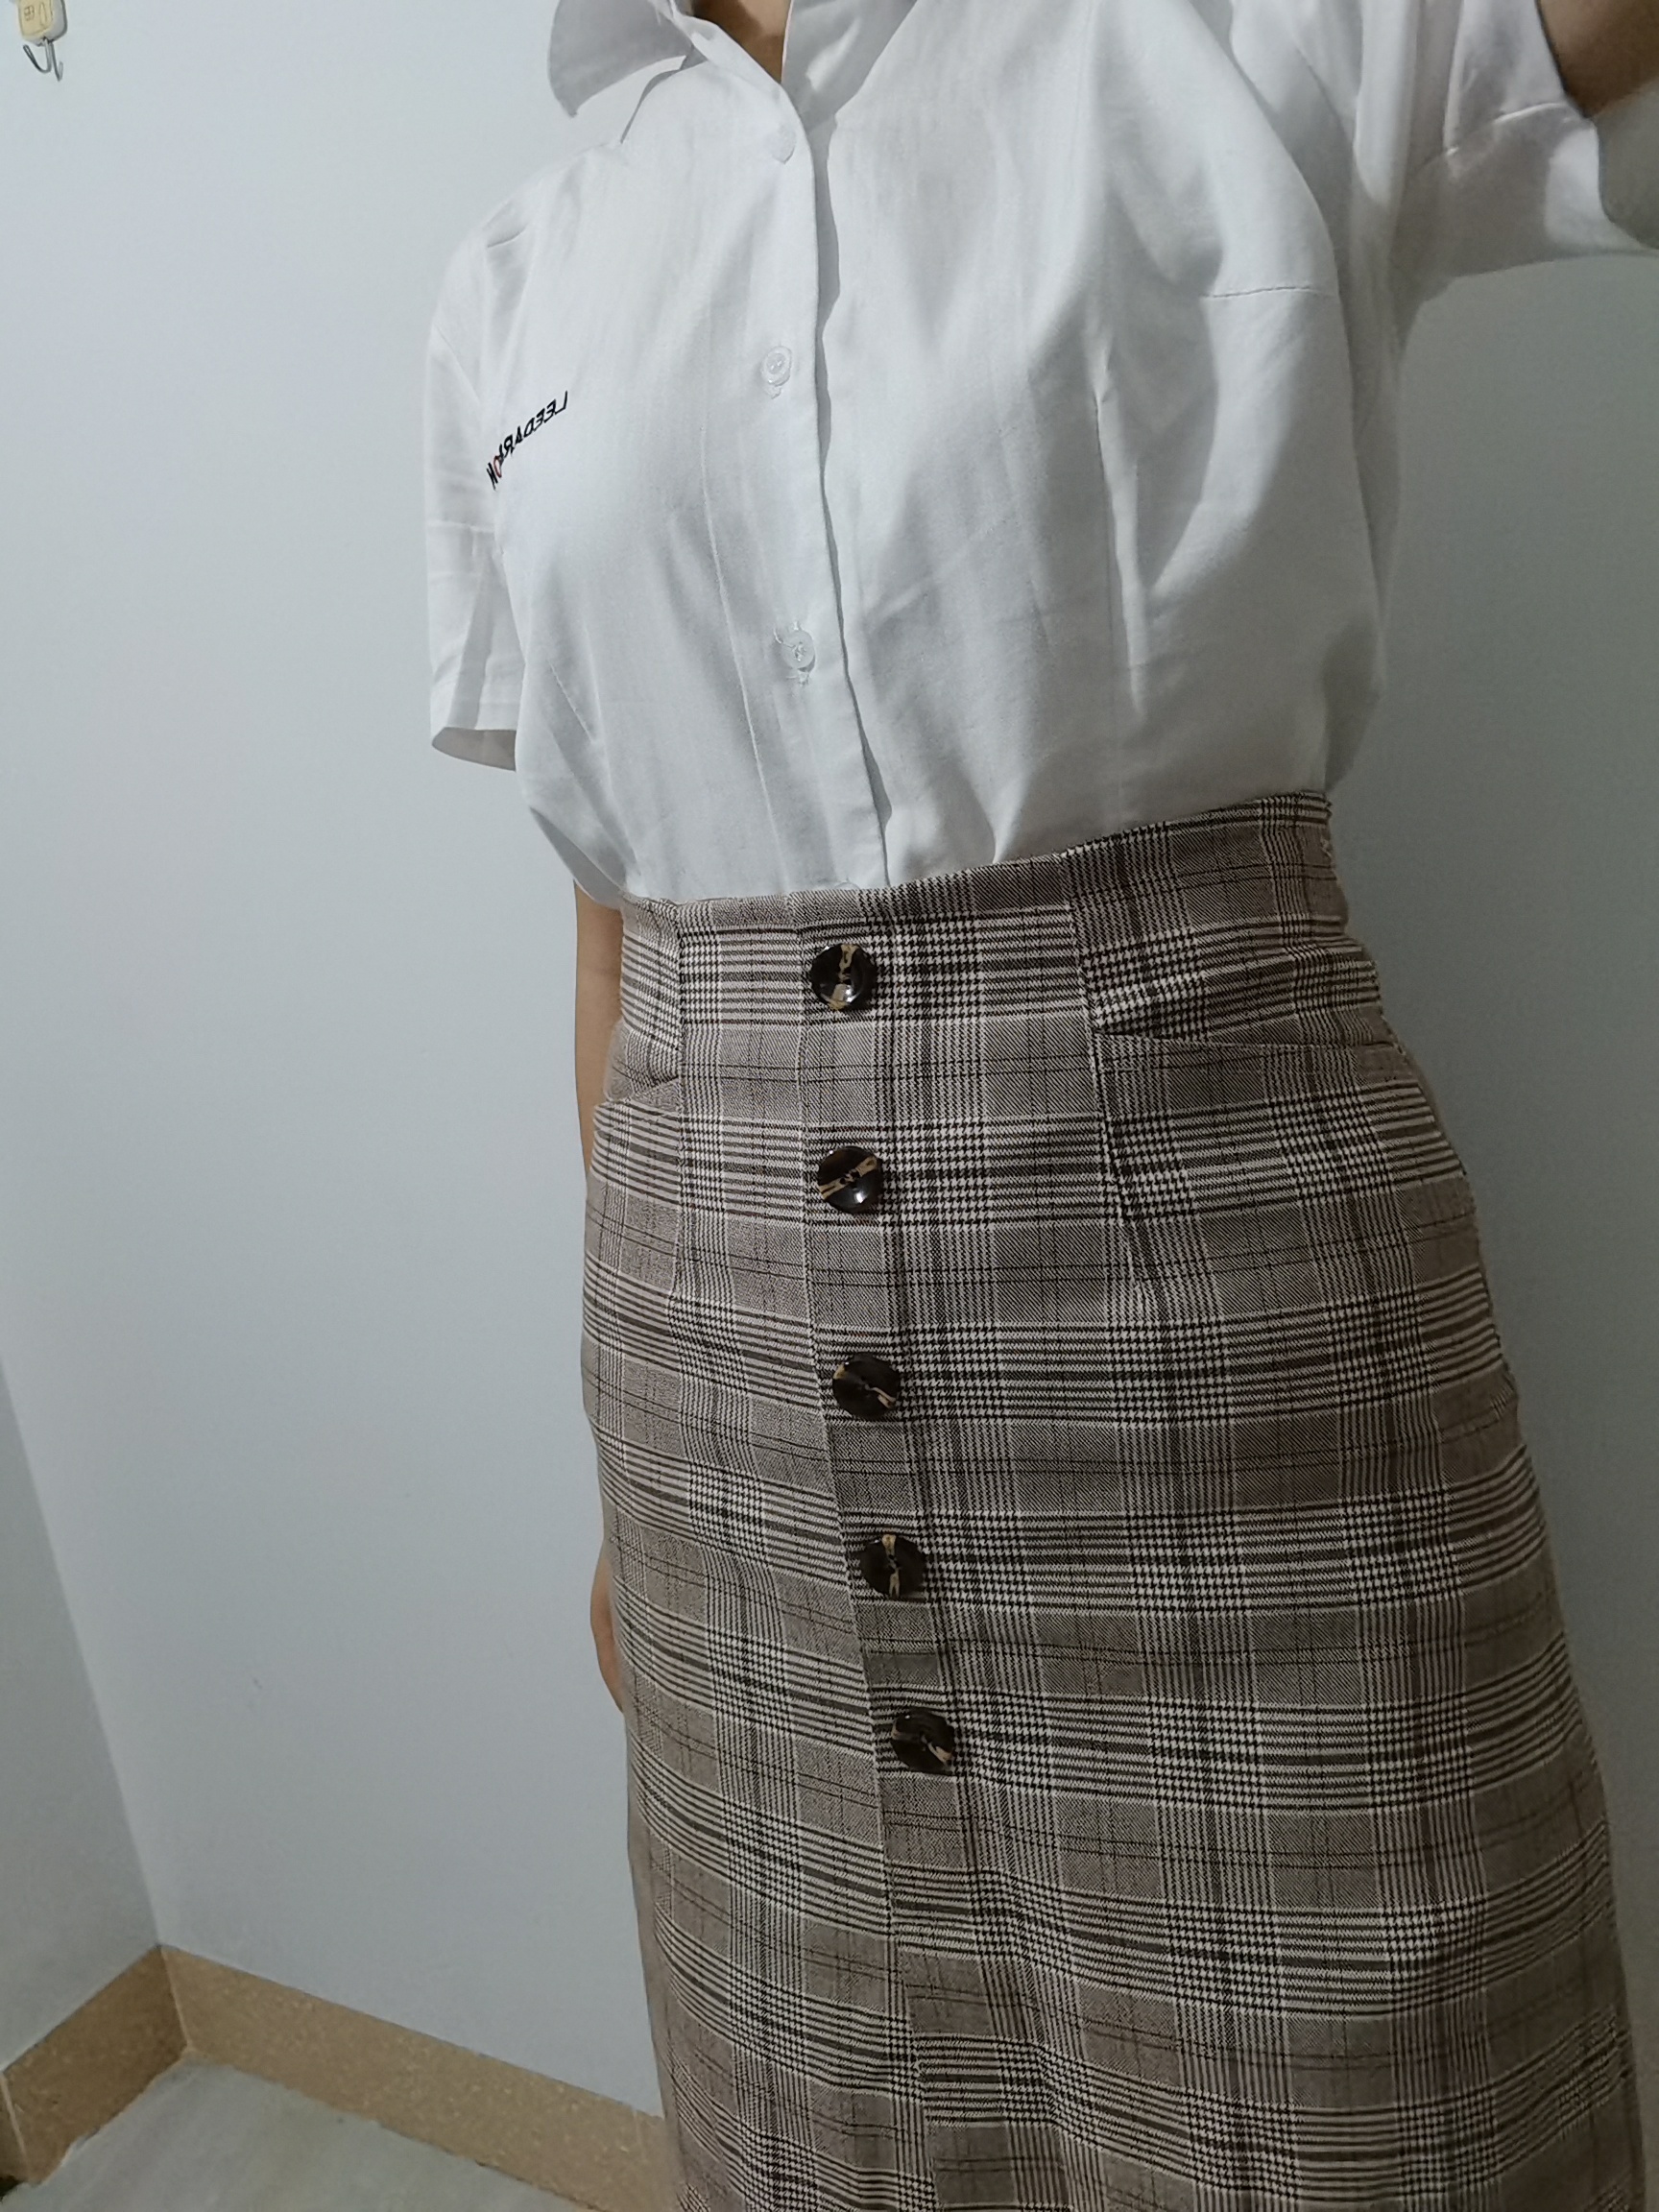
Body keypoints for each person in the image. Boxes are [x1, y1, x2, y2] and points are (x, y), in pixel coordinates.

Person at [424, 2, 1659, 2203]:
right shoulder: (523, 266)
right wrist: (623, 1481)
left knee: (1388, 2122)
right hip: (719, 1413)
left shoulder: (1228, 38)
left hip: (1233, 1359)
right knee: (831, 2142)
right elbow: (612, 917)